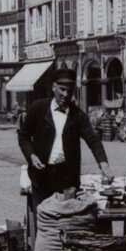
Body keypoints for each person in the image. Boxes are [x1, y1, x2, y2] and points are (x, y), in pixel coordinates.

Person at [17, 67, 114, 213]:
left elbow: (93, 140)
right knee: (44, 224)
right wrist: (31, 155)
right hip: (41, 178)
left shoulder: (78, 115)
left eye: (70, 90)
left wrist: (104, 164)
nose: (66, 94)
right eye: (62, 89)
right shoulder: (38, 108)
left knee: (66, 224)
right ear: (53, 86)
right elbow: (23, 136)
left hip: (67, 181)